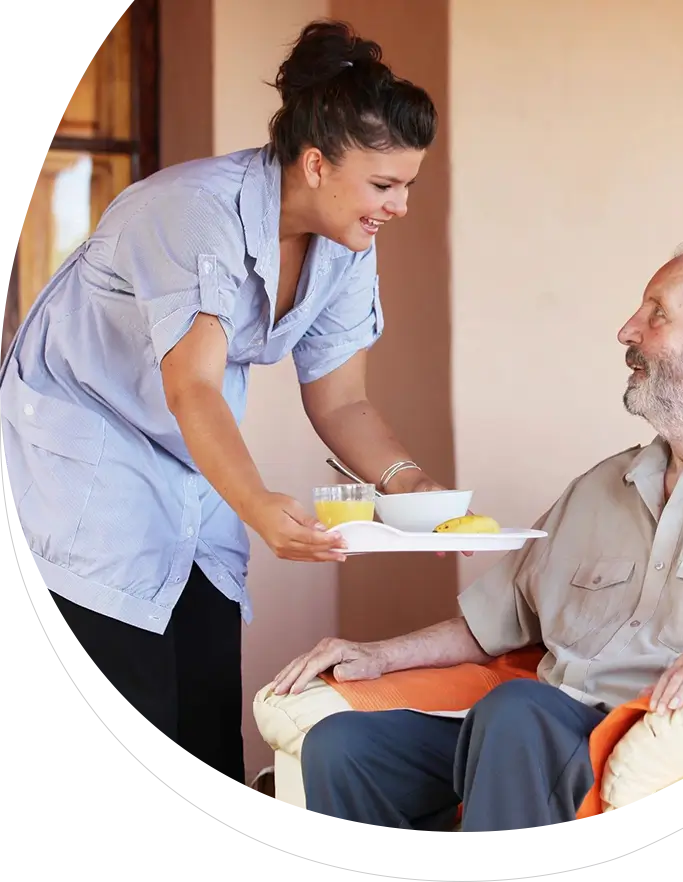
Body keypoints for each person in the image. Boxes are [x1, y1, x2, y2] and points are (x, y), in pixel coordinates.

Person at [269, 243, 683, 832]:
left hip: (643, 730)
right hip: (532, 731)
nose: (627, 331)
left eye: (655, 314)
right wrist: (378, 655)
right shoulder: (597, 488)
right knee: (341, 746)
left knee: (519, 711)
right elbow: (494, 623)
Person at [0, 20, 451, 789]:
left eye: (407, 184)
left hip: (192, 455)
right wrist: (261, 506)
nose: (400, 205)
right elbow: (192, 385)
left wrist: (412, 489)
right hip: (90, 456)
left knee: (207, 708)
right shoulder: (190, 211)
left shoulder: (347, 245)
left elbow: (341, 400)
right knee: (128, 687)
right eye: (385, 184)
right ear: (315, 163)